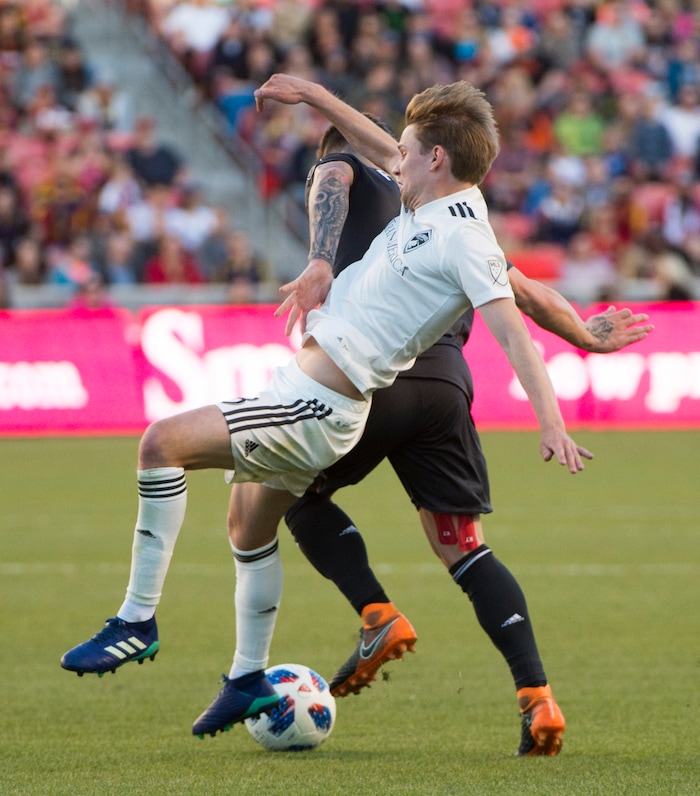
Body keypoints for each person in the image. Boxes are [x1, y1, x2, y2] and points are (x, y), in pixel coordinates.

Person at [61, 75, 594, 751]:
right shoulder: (435, 198)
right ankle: (247, 676)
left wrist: (552, 421)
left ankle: (137, 620)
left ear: (435, 159)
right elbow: (380, 146)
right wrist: (313, 94)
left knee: (160, 444)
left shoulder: (467, 240)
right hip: (310, 389)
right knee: (248, 524)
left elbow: (513, 331)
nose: (393, 159)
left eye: (406, 150)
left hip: (316, 405)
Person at [250, 107, 653, 756]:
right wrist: (586, 337)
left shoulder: (353, 177)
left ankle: (376, 613)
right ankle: (537, 696)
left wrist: (320, 247)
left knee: (289, 492)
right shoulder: (451, 216)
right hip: (444, 388)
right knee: (466, 550)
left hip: (371, 375)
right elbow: (525, 295)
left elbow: (341, 171)